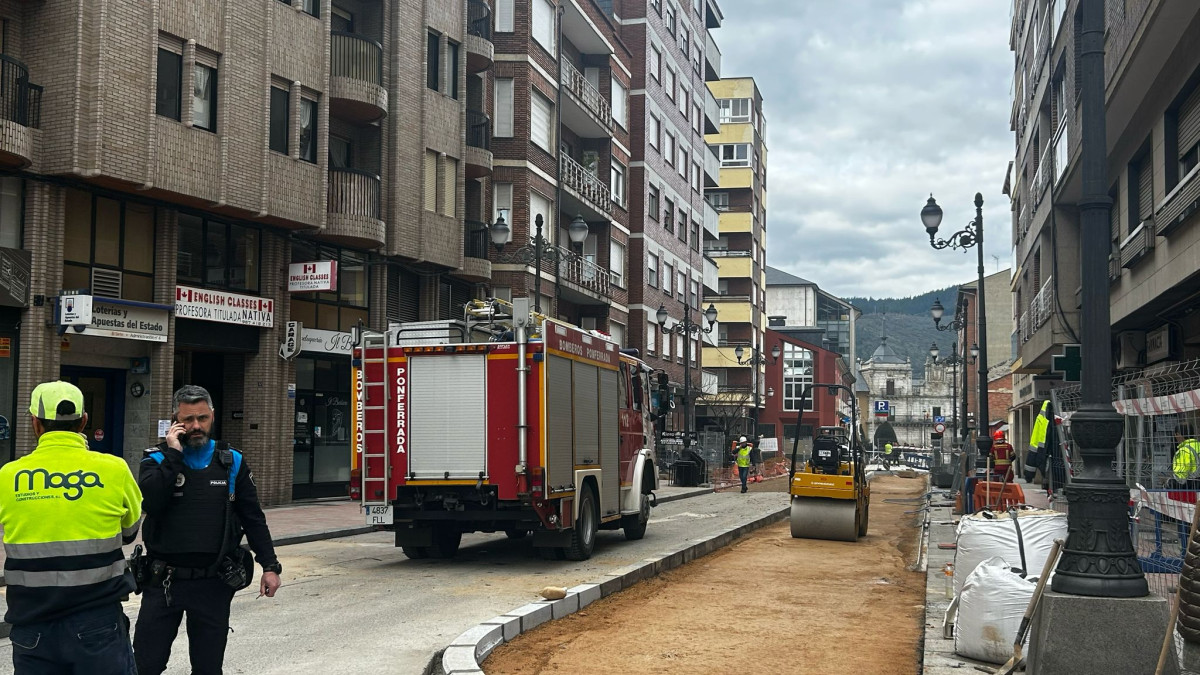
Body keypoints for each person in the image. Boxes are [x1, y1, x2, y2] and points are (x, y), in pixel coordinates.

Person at [134, 385, 283, 675]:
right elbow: (151, 502)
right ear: (175, 420)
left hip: (212, 582)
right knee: (145, 665)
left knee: (208, 667)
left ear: (212, 416)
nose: (196, 426)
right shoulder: (156, 459)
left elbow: (252, 517)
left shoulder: (232, 461)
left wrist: (270, 565)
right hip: (163, 581)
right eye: (188, 420)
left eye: (202, 418)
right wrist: (174, 455)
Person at [0, 381, 142, 673]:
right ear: (84, 421)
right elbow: (128, 533)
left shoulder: (8, 475)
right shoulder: (114, 469)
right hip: (98, 622)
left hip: (31, 622)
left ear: (35, 423)